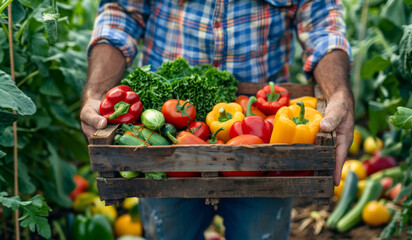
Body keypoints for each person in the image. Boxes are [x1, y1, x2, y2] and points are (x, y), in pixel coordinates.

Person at [80, 0, 354, 239]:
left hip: (268, 150)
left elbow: (322, 23)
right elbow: (120, 14)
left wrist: (339, 92)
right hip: (163, 147)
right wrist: (96, 92)